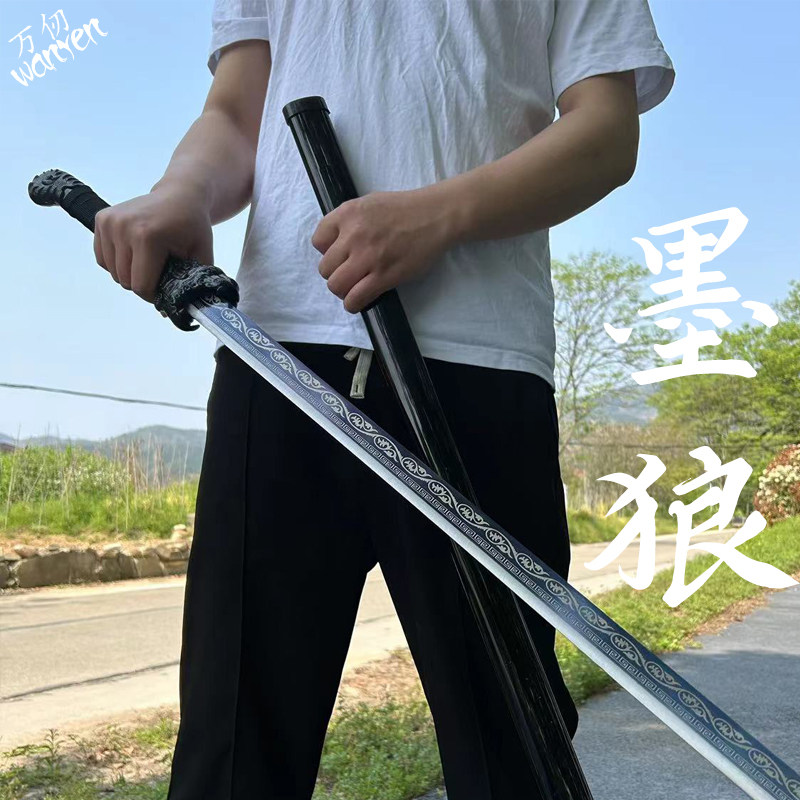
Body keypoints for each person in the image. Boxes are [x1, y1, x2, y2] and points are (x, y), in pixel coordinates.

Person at [93, 1, 674, 797]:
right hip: (279, 361)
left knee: (512, 750)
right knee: (233, 753)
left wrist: (441, 215)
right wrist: (184, 190)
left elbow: (605, 132)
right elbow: (235, 111)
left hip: (480, 366)